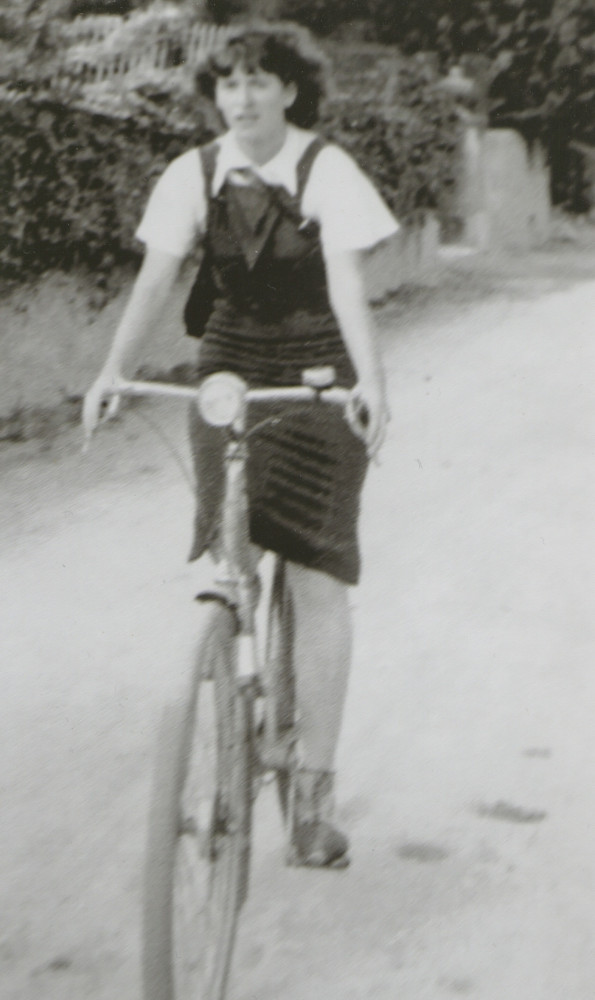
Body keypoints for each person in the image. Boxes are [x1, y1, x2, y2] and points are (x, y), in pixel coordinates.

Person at [83, 23, 398, 868]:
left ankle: (312, 798)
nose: (243, 97)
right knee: (236, 543)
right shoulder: (192, 173)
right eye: (229, 84)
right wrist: (113, 370)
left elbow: (343, 280)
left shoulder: (323, 167)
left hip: (317, 371)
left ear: (289, 91)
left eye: (259, 82)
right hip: (229, 364)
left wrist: (370, 383)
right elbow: (156, 276)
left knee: (317, 575)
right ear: (215, 95)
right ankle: (228, 664)